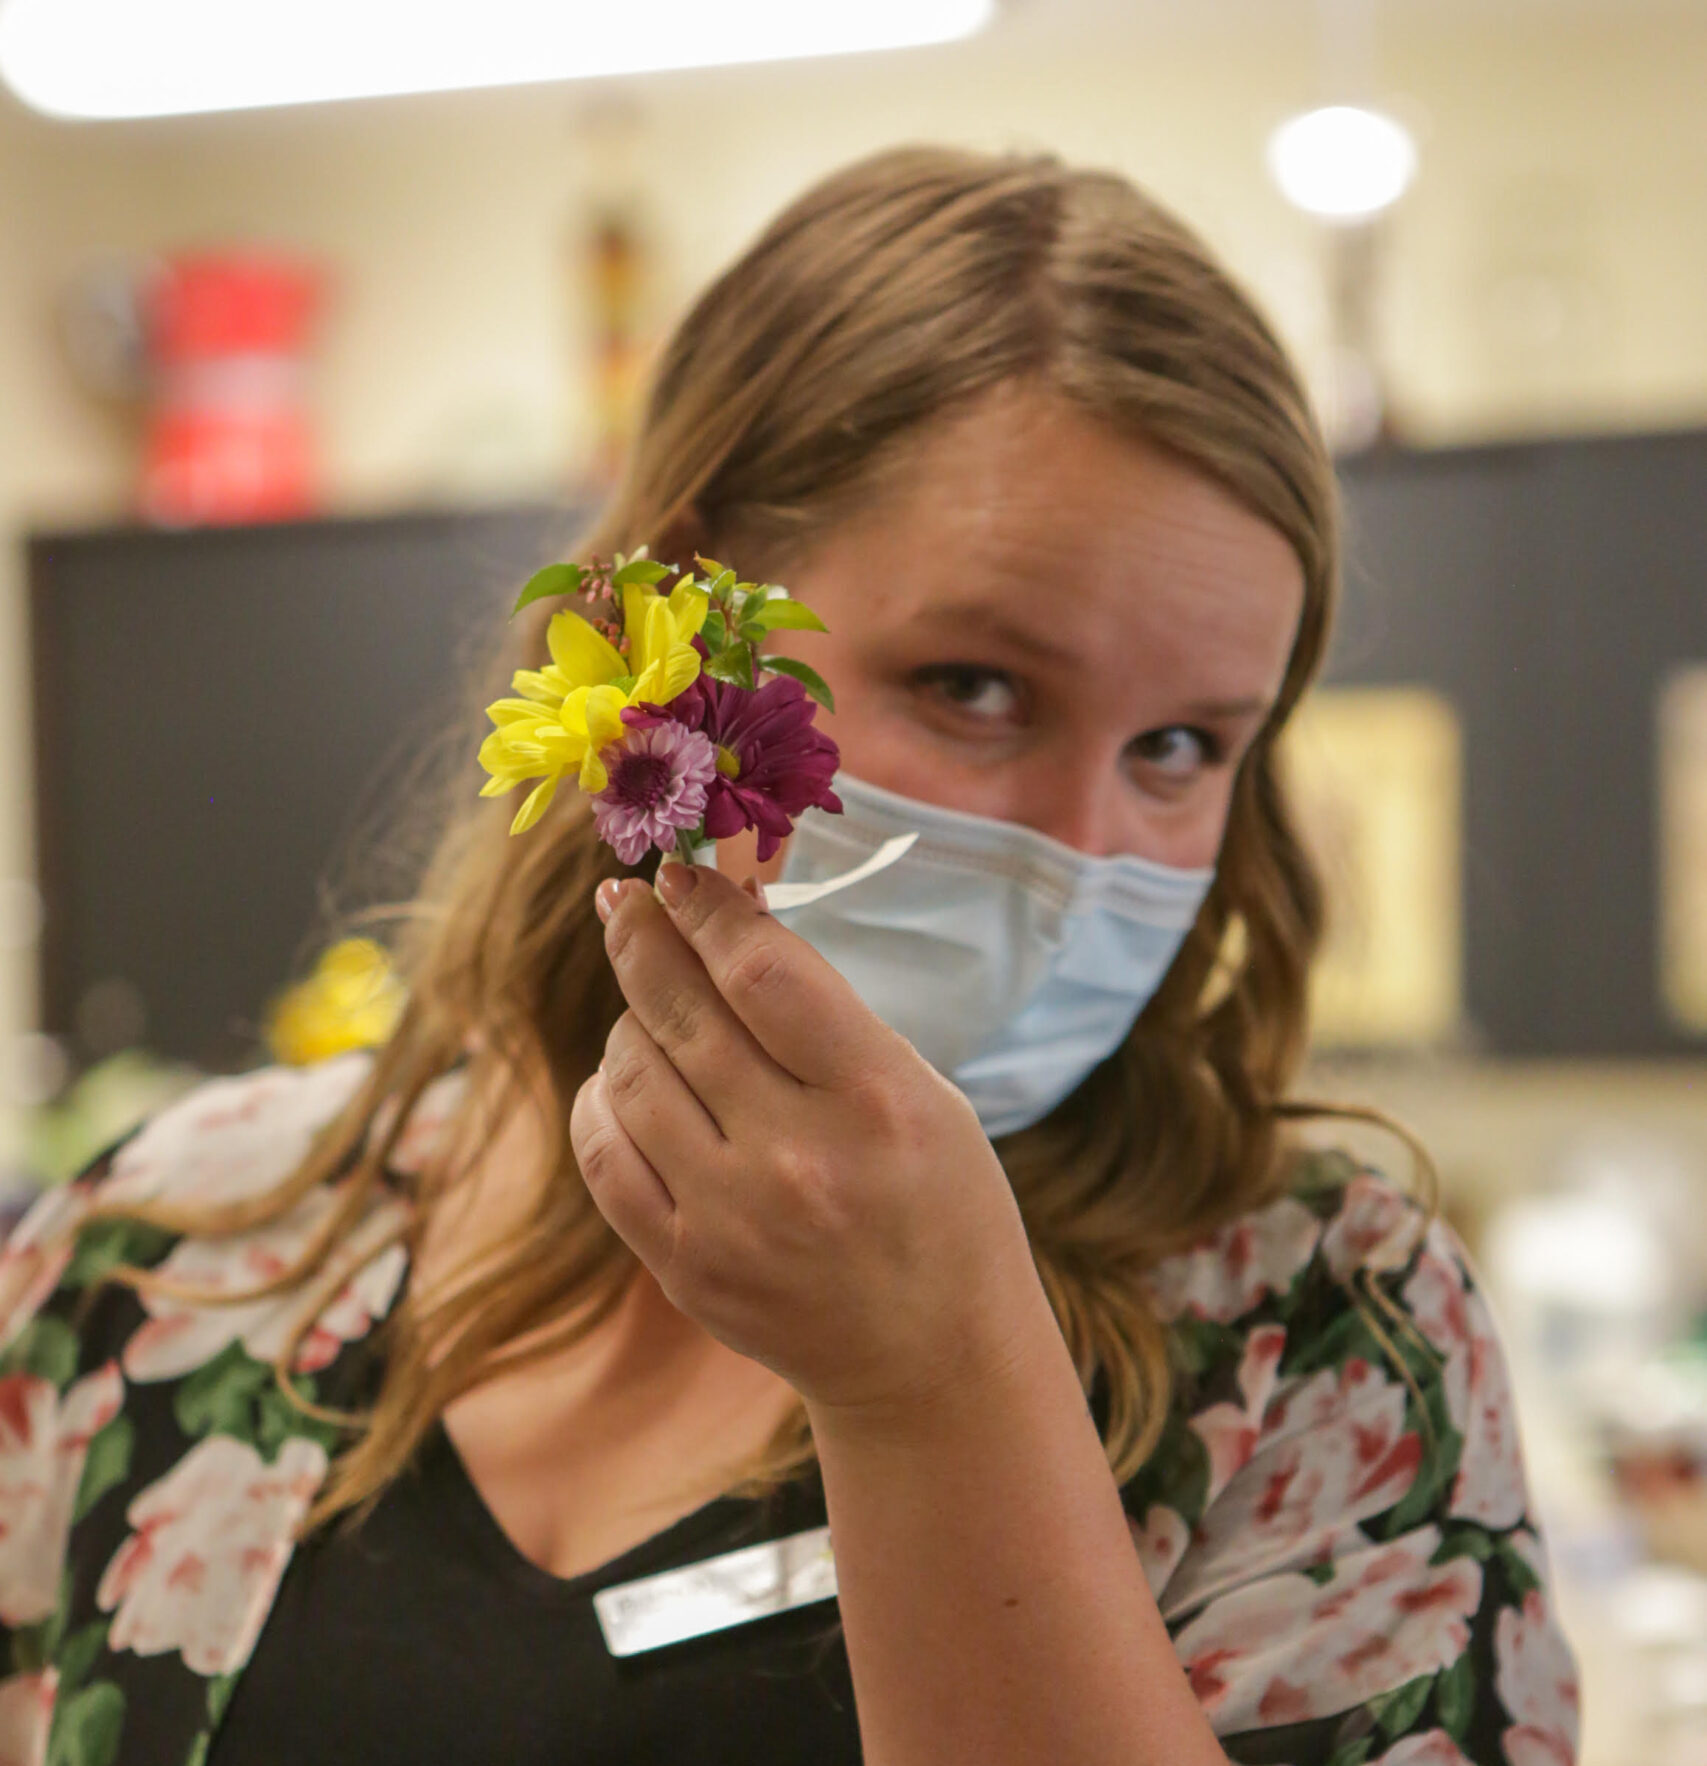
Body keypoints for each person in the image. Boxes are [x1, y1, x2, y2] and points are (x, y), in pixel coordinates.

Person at [0, 145, 1579, 1766]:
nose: (1078, 847)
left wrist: (937, 1375)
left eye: (1179, 743)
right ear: (665, 637)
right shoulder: (179, 1255)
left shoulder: (1325, 1336)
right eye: (974, 685)